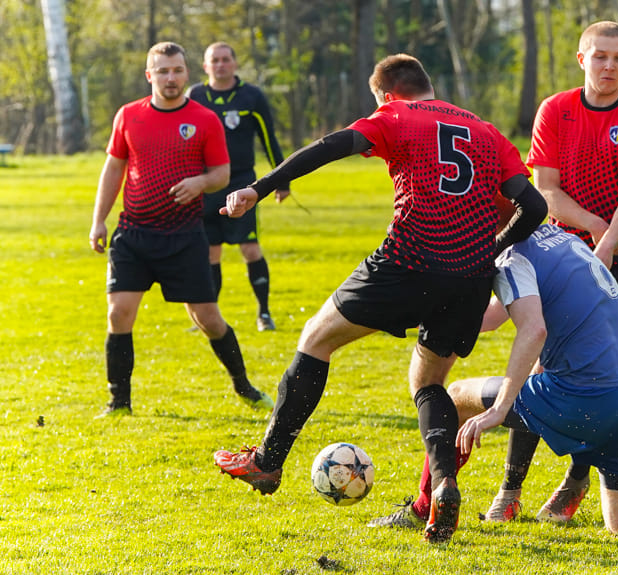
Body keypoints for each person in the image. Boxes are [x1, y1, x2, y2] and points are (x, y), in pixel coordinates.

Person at [212, 54, 548, 544]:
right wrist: (488, 249)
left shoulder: (395, 116)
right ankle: (444, 487)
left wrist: (260, 188)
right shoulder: (488, 132)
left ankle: (267, 462)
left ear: (386, 94)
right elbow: (533, 205)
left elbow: (331, 146)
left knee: (316, 339)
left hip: (406, 262)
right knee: (430, 382)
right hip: (469, 277)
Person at [369, 223, 618, 547]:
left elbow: (533, 328)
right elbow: (492, 316)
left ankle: (425, 506)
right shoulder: (563, 239)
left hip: (585, 394)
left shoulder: (512, 257)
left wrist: (499, 409)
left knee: (455, 398)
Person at [486, 20, 618, 527]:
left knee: (590, 375)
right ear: (582, 59)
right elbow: (546, 193)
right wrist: (591, 228)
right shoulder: (556, 110)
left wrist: (605, 246)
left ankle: (574, 480)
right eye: (601, 56)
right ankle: (511, 488)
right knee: (539, 364)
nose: (610, 66)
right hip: (554, 255)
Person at [88, 41, 274, 416]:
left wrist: (200, 183)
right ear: (149, 75)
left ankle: (243, 384)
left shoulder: (205, 119)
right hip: (134, 233)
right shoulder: (128, 115)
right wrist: (98, 220)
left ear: (187, 74)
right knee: (118, 313)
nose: (170, 78)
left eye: (176, 71)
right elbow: (113, 169)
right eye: (162, 71)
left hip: (184, 236)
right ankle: (118, 401)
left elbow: (222, 173)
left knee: (208, 319)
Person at [188, 42, 289, 332]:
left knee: (250, 248)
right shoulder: (195, 96)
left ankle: (264, 313)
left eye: (225, 59)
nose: (220, 65)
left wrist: (282, 180)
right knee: (210, 252)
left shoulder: (251, 96)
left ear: (234, 63)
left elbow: (269, 138)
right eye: (214, 60)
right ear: (205, 66)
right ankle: (209, 316)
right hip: (206, 184)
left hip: (241, 184)